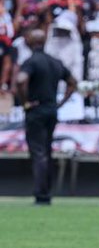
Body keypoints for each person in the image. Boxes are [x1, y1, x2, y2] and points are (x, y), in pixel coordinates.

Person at [15, 28, 76, 205]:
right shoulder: (55, 61)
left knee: (39, 152)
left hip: (36, 110)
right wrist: (61, 103)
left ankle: (41, 194)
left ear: (30, 42)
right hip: (51, 110)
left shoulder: (31, 61)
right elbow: (72, 83)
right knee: (47, 151)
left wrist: (25, 102)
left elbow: (20, 80)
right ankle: (47, 192)